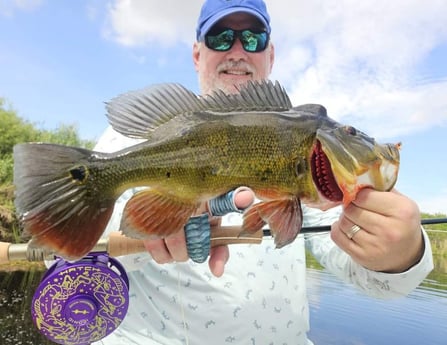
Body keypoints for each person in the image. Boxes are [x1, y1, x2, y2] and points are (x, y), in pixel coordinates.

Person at [93, 1, 433, 344]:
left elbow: (367, 277)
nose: (238, 50)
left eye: (253, 38)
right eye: (221, 37)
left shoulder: (316, 166)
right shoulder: (135, 139)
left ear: (270, 55)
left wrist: (403, 255)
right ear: (197, 54)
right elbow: (61, 249)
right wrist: (150, 222)